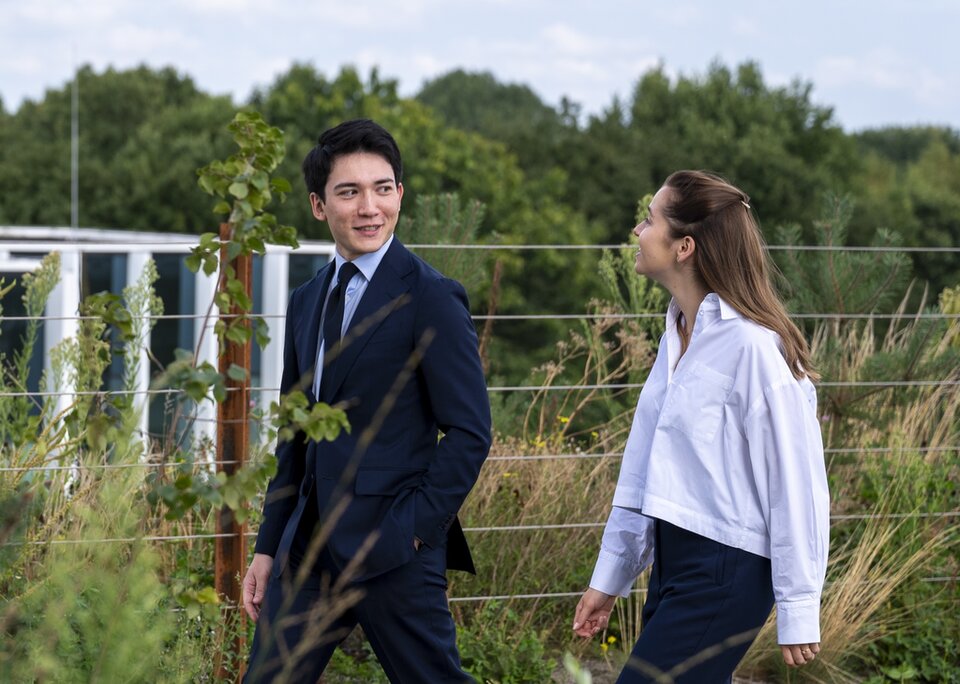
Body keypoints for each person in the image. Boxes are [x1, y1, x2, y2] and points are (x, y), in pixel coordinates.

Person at [242, 119, 491, 682]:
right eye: (349, 192)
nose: (369, 207)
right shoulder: (306, 300)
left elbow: (470, 433)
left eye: (382, 189)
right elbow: (294, 435)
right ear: (318, 205)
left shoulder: (432, 297)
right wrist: (268, 547)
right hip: (307, 552)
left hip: (394, 550)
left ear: (400, 193)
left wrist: (413, 529)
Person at [573, 170, 830, 682]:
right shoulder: (675, 337)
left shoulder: (753, 348)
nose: (637, 231)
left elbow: (796, 482)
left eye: (649, 220)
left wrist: (799, 605)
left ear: (684, 246)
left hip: (727, 569)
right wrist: (611, 576)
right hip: (673, 562)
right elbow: (643, 468)